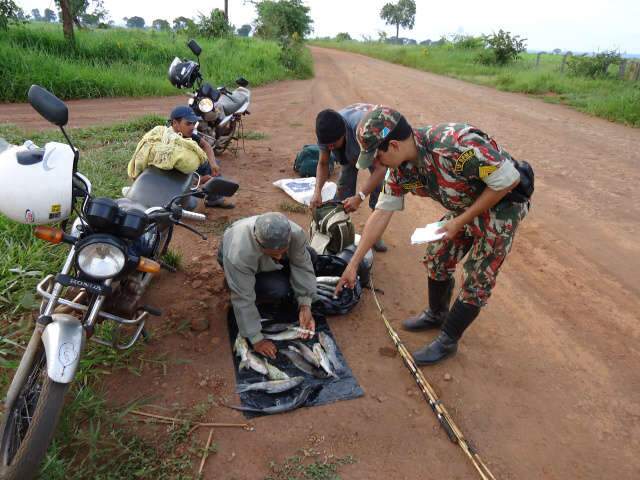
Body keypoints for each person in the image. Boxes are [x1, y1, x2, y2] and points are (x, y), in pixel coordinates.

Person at [335, 106, 531, 365]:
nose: (377, 165)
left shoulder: (456, 145)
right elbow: (381, 213)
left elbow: (508, 181)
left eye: (377, 158)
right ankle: (437, 314)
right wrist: (353, 264)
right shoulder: (401, 171)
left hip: (502, 206)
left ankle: (448, 340)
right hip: (466, 206)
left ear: (393, 145)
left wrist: (460, 221)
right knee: (437, 256)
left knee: (479, 277)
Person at [218, 212, 317, 359]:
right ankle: (232, 281)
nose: (279, 257)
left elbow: (302, 265)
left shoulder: (295, 233)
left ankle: (275, 270)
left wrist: (305, 304)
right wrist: (256, 339)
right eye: (273, 254)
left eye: (282, 252)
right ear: (258, 242)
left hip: (263, 253)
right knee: (278, 288)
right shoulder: (239, 253)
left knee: (311, 255)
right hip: (234, 260)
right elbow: (243, 297)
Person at [311, 104, 388, 252]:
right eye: (328, 146)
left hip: (373, 146)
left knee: (380, 188)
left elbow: (381, 169)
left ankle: (375, 233)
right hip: (350, 150)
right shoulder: (326, 132)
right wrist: (317, 191)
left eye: (333, 144)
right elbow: (323, 162)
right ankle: (336, 228)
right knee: (343, 186)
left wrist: (360, 197)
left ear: (344, 134)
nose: (330, 148)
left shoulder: (364, 131)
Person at [168, 106, 234, 209]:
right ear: (175, 123)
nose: (192, 127)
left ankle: (214, 199)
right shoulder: (166, 142)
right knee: (191, 204)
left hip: (187, 172)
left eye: (194, 123)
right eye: (188, 123)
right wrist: (199, 181)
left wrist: (213, 164)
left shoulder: (186, 135)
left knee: (212, 164)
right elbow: (171, 175)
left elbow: (206, 145)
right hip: (173, 182)